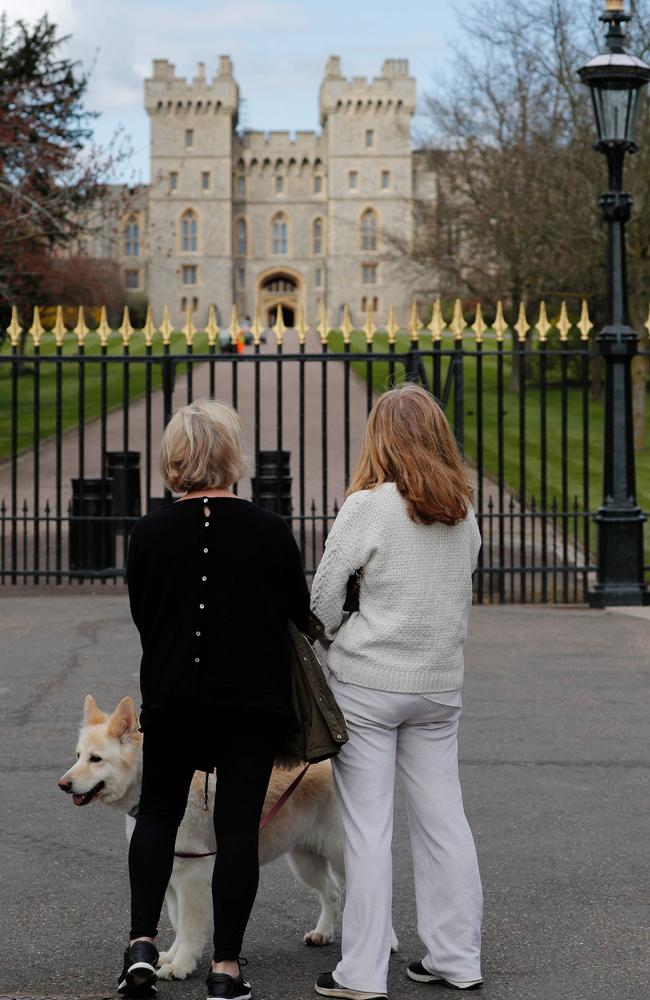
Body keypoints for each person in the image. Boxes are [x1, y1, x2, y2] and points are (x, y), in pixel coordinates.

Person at [121, 398, 310, 1000]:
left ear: (172, 460)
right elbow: (297, 616)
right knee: (235, 833)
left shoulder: (148, 533)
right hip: (251, 703)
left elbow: (144, 616)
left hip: (174, 696)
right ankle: (225, 969)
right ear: (233, 458)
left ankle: (142, 944)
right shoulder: (270, 530)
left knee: (155, 814)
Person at [310, 383, 483, 999]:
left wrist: (334, 634)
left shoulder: (369, 505)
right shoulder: (463, 512)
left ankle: (360, 972)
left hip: (368, 681)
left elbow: (324, 596)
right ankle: (456, 957)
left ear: (379, 437)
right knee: (445, 822)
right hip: (438, 685)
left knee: (366, 829)